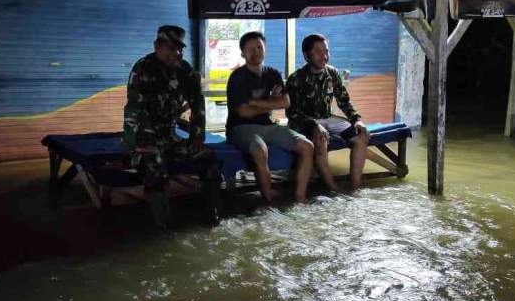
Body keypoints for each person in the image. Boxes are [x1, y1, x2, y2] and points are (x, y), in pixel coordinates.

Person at [123, 25, 213, 226]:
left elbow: (197, 102)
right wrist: (146, 144)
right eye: (171, 48)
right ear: (157, 46)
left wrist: (197, 138)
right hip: (141, 137)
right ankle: (162, 226)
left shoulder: (184, 70)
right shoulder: (142, 68)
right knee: (156, 166)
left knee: (209, 159)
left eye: (180, 49)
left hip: (169, 137)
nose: (177, 53)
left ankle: (210, 217)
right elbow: (135, 111)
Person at [226, 31, 314, 203]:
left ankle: (300, 198)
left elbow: (286, 102)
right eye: (250, 49)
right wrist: (271, 101)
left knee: (307, 146)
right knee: (260, 149)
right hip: (240, 128)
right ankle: (268, 199)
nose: (256, 51)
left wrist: (254, 102)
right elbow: (243, 112)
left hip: (268, 126)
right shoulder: (237, 77)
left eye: (259, 47)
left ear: (265, 48)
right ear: (243, 53)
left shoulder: (273, 74)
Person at [286, 33, 370, 191]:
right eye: (318, 52)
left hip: (327, 118)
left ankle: (355, 187)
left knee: (361, 135)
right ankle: (334, 189)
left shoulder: (332, 73)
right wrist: (314, 126)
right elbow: (292, 113)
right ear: (306, 55)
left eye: (326, 51)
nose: (324, 56)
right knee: (321, 139)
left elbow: (344, 100)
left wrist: (357, 119)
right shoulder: (296, 79)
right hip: (303, 122)